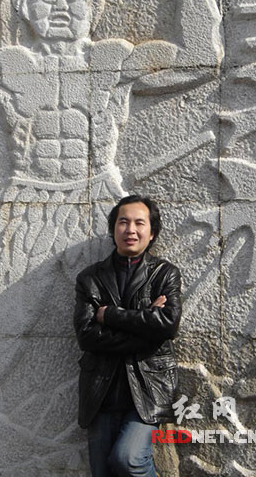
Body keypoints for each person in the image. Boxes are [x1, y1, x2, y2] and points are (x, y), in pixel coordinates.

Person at [74, 194, 182, 477]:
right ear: (113, 229)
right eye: (123, 222)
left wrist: (109, 315)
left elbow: (167, 325)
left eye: (139, 223)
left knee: (128, 459)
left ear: (152, 232)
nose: (130, 230)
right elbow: (87, 336)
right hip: (101, 391)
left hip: (149, 391)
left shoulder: (164, 274)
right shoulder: (90, 278)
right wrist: (147, 328)